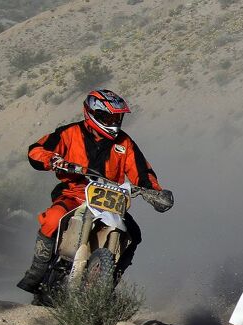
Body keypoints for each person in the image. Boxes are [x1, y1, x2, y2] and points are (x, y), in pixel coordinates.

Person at [17, 89, 173, 294]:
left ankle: (108, 284)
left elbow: (142, 171)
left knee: (134, 235)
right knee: (53, 219)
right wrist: (54, 160)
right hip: (74, 193)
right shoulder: (69, 133)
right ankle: (36, 271)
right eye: (107, 117)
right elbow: (36, 150)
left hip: (110, 199)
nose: (113, 121)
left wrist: (154, 192)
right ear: (92, 114)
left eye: (117, 117)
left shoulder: (124, 143)